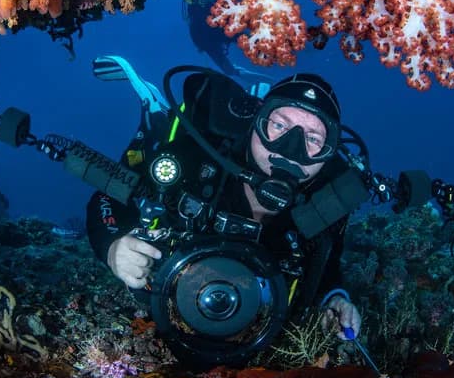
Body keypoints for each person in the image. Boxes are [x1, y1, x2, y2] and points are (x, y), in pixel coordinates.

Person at [86, 70, 362, 352]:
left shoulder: (327, 201)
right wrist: (113, 246)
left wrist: (335, 298)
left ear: (328, 154)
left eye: (313, 139)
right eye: (279, 125)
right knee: (154, 142)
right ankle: (153, 110)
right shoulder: (199, 155)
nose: (290, 150)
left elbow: (327, 265)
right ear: (256, 123)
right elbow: (108, 200)